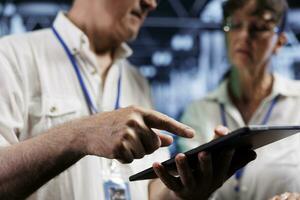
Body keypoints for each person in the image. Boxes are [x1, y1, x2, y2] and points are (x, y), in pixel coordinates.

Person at [0, 0, 256, 199]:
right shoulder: (11, 58)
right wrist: (81, 134)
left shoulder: (136, 81)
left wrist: (184, 191)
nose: (152, 3)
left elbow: (149, 191)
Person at [178, 0, 300, 199]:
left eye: (259, 28)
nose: (244, 35)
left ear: (279, 42)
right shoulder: (198, 112)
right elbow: (191, 187)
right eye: (235, 25)